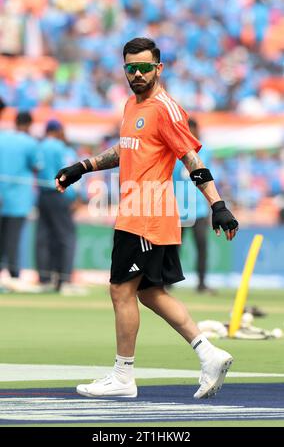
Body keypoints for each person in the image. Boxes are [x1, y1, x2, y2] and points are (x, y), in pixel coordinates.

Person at [55, 38, 239, 400]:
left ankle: (123, 376)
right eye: (130, 68)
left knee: (121, 290)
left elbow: (191, 160)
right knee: (150, 292)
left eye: (144, 67)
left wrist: (218, 205)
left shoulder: (166, 109)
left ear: (159, 68)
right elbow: (127, 148)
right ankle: (209, 353)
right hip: (137, 212)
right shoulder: (130, 104)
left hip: (147, 213)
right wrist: (83, 166)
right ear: (124, 69)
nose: (137, 74)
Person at [36, 120, 78, 294]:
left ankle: (45, 279)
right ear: (58, 130)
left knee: (44, 237)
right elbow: (65, 173)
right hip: (59, 194)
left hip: (43, 195)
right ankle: (64, 280)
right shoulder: (60, 147)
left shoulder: (39, 146)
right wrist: (73, 197)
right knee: (66, 237)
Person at [0, 111, 41, 287]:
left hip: (2, 196)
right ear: (29, 124)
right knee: (13, 239)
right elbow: (38, 165)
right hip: (18, 199)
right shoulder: (30, 143)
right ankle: (13, 276)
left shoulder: (2, 138)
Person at [173, 118, 214, 293]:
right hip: (177, 208)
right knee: (173, 247)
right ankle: (168, 280)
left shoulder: (204, 151)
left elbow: (207, 178)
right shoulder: (173, 151)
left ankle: (202, 283)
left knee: (202, 247)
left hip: (199, 209)